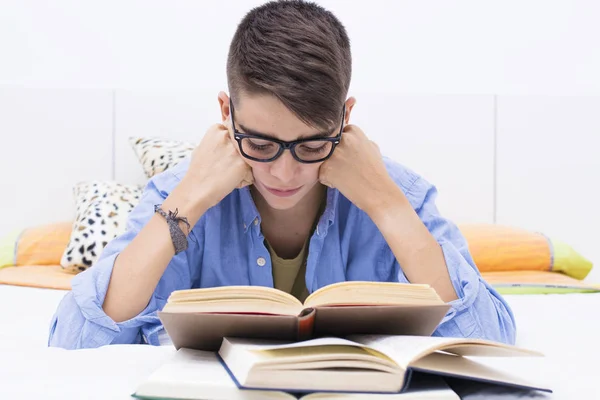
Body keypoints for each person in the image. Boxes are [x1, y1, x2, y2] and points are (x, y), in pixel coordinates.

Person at [48, 0, 515, 350]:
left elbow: (489, 343)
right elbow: (74, 343)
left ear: (345, 120)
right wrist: (187, 201)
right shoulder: (179, 193)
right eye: (260, 145)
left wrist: (387, 208)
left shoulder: (395, 192)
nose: (284, 172)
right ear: (227, 114)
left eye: (312, 145)